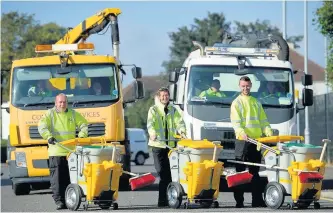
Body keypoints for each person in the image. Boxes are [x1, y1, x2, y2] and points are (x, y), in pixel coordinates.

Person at [38, 93, 88, 210]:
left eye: (64, 102)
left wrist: (81, 136)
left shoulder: (73, 114)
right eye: (60, 102)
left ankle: (70, 199)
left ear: (67, 103)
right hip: (56, 152)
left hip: (71, 153)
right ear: (55, 103)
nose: (62, 104)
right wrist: (48, 136)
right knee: (57, 180)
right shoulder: (50, 114)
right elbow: (42, 126)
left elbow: (84, 124)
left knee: (71, 178)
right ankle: (59, 201)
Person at [230, 76, 273, 208]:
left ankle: (257, 201)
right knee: (241, 173)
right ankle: (239, 202)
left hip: (256, 142)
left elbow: (263, 120)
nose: (245, 88)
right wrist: (242, 133)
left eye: (247, 86)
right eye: (243, 86)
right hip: (242, 141)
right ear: (239, 86)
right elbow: (236, 123)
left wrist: (268, 131)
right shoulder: (236, 103)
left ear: (251, 86)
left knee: (255, 173)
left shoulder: (256, 102)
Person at [146, 87, 186, 207]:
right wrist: (152, 133)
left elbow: (179, 123)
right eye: (162, 96)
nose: (165, 97)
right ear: (159, 97)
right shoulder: (153, 110)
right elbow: (150, 123)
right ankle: (162, 201)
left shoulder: (173, 110)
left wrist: (182, 131)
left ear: (169, 96)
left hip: (171, 147)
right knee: (163, 174)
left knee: (172, 175)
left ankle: (169, 199)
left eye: (166, 95)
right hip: (158, 145)